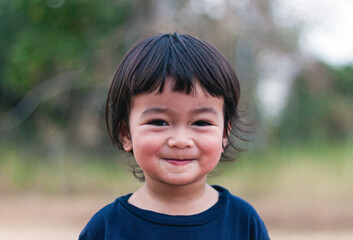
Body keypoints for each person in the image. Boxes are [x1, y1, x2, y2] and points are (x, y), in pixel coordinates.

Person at [79, 32, 270, 240]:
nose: (180, 140)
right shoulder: (106, 228)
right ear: (126, 134)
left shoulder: (243, 222)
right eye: (159, 122)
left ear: (224, 134)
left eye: (201, 123)